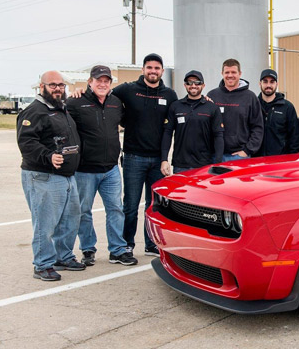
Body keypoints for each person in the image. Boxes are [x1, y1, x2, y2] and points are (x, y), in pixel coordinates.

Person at [17, 71, 86, 281]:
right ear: (42, 87)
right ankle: (42, 265)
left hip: (67, 176)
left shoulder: (61, 108)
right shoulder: (34, 111)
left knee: (70, 220)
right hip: (43, 176)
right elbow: (26, 142)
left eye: (61, 85)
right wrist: (48, 156)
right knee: (45, 223)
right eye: (53, 85)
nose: (58, 88)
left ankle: (63, 257)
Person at [67, 65, 138, 267]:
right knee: (84, 211)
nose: (103, 84)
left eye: (106, 81)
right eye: (99, 80)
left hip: (111, 169)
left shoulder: (116, 103)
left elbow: (128, 122)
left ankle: (117, 250)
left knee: (115, 209)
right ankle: (88, 249)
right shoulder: (75, 102)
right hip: (85, 170)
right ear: (90, 82)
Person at [113, 53, 178, 256]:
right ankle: (126, 245)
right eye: (149, 68)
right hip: (134, 157)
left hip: (158, 160)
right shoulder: (128, 90)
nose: (153, 71)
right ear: (143, 70)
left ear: (162, 71)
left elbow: (182, 112)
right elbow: (104, 95)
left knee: (153, 205)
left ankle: (151, 244)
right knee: (130, 205)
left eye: (157, 68)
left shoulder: (169, 95)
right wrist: (83, 91)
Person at [161, 70, 223, 175]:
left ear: (203, 85)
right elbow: (167, 133)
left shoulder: (212, 107)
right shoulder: (175, 106)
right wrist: (164, 159)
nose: (193, 85)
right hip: (180, 165)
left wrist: (217, 162)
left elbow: (218, 135)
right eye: (189, 82)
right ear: (185, 85)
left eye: (197, 82)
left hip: (204, 166)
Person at [207, 58, 263, 162]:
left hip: (239, 157)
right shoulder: (212, 95)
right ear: (222, 73)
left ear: (240, 73)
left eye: (233, 72)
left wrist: (247, 150)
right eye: (227, 72)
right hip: (215, 156)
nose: (230, 75)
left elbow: (257, 127)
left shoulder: (250, 97)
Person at [257, 69, 299, 156]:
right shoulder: (254, 105)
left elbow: (294, 136)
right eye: (265, 81)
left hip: (279, 160)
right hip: (256, 160)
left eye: (272, 82)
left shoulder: (287, 107)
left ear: (277, 84)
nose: (268, 85)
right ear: (260, 84)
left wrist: (292, 158)